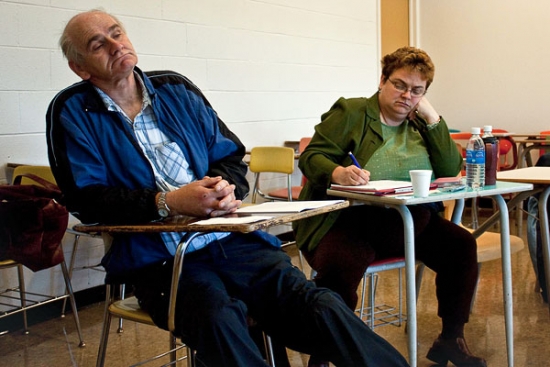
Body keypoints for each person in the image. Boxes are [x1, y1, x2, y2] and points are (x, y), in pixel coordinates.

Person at [46, 9, 410, 367]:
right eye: (98, 44)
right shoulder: (72, 111)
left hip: (232, 239)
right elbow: (86, 198)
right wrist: (167, 202)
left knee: (320, 306)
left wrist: (225, 188)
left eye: (116, 32)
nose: (115, 45)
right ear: (80, 67)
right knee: (219, 316)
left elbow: (231, 156)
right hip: (161, 260)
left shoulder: (175, 89)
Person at [294, 46, 487, 367]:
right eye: (399, 84)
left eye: (417, 90)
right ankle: (325, 351)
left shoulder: (421, 123)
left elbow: (450, 167)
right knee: (344, 262)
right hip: (346, 219)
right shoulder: (352, 113)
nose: (406, 95)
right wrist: (338, 171)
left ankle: (451, 339)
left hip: (406, 220)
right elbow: (312, 156)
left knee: (461, 245)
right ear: (382, 80)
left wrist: (433, 117)